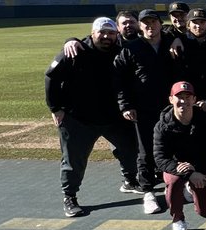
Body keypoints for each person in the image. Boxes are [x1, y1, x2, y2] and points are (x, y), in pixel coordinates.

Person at [45, 17, 138, 217]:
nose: (106, 36)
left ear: (117, 34)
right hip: (79, 118)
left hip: (114, 116)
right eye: (101, 32)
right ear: (92, 33)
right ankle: (69, 197)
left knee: (130, 150)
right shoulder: (74, 50)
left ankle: (130, 180)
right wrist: (55, 108)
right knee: (74, 160)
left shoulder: (122, 49)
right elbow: (51, 77)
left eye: (111, 33)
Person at [113, 8, 184, 214]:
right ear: (140, 26)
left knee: (175, 146)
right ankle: (148, 191)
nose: (149, 26)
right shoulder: (131, 48)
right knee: (145, 151)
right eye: (145, 23)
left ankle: (181, 182)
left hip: (170, 107)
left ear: (160, 24)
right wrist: (125, 105)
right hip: (142, 109)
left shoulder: (171, 44)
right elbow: (120, 80)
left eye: (153, 22)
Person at [153, 80, 206, 230]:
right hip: (176, 167)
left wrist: (197, 169)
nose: (183, 101)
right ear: (171, 99)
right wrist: (188, 173)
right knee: (174, 181)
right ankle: (178, 222)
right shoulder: (162, 125)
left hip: (200, 167)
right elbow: (160, 158)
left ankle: (189, 190)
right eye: (179, 97)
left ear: (194, 100)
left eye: (188, 97)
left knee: (205, 211)